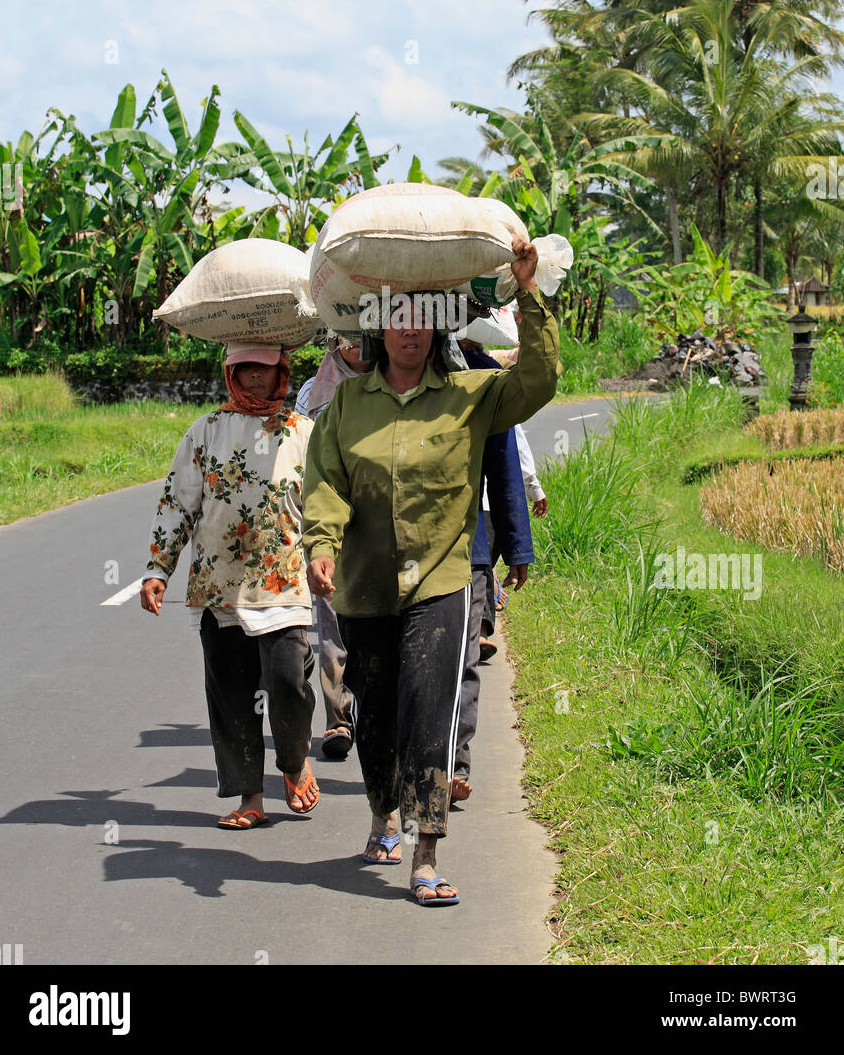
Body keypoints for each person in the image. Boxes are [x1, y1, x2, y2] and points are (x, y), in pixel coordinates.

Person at [302, 238, 559, 905]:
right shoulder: (347, 406)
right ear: (378, 327)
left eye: (421, 318)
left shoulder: (471, 396)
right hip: (364, 586)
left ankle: (425, 849)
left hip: (441, 583)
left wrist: (528, 293)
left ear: (437, 327)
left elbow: (537, 382)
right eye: (396, 318)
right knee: (377, 718)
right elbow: (324, 482)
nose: (409, 331)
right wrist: (321, 544)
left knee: (430, 712)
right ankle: (381, 810)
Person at [140, 342, 319, 828]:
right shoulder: (205, 431)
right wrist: (159, 569)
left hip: (283, 584)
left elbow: (325, 505)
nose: (256, 380)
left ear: (282, 372)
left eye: (265, 370)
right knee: (232, 694)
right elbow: (178, 503)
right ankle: (250, 797)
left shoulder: (304, 433)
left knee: (288, 683)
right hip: (219, 588)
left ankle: (294, 757)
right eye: (246, 370)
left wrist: (327, 558)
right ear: (231, 373)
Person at [451, 334, 534, 801]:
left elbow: (503, 465)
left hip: (470, 549)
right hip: (392, 552)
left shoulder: (483, 375)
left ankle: (454, 760)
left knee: (462, 663)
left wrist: (517, 545)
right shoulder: (379, 372)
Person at [294, 335, 371, 760]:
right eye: (347, 337)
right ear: (333, 340)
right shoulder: (313, 395)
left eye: (364, 336)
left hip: (379, 524)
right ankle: (339, 717)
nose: (357, 345)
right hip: (330, 525)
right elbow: (302, 462)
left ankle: (378, 709)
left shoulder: (392, 382)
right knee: (330, 621)